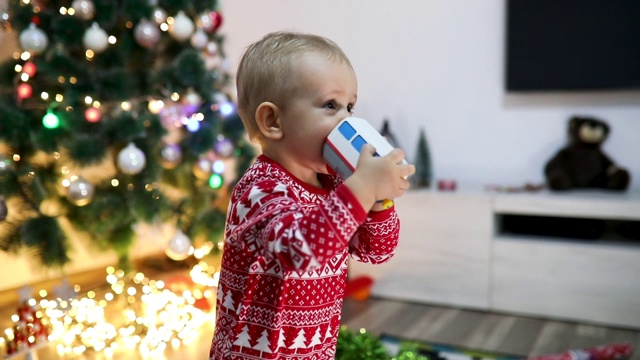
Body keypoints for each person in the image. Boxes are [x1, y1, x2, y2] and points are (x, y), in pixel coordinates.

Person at [209, 31, 415, 360]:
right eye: (331, 106)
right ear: (272, 120)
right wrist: (363, 188)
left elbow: (376, 250)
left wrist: (378, 202)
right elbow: (298, 249)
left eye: (350, 106)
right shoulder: (260, 189)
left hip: (314, 349)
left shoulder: (334, 185)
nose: (348, 120)